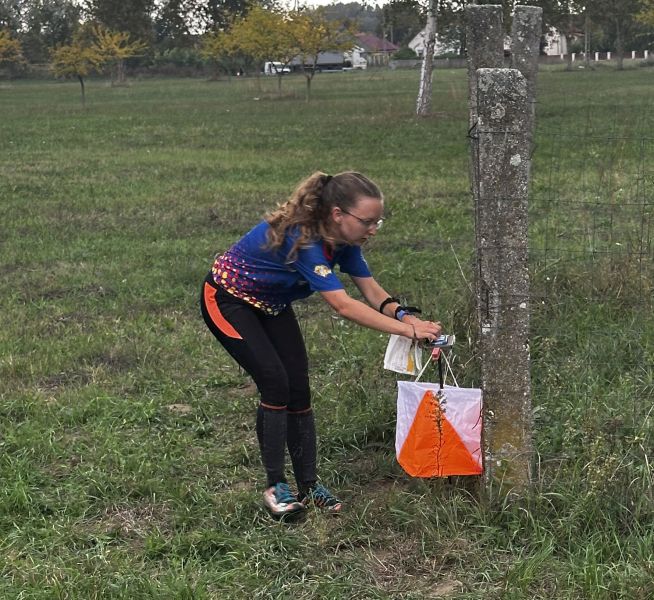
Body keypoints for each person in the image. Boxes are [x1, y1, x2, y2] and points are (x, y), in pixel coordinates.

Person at [200, 171, 442, 521]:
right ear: (338, 214)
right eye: (367, 221)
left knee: (299, 389)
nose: (373, 229)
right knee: (275, 382)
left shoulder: (344, 242)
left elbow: (371, 290)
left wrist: (406, 317)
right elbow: (343, 305)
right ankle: (275, 487)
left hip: (271, 305)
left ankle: (309, 487)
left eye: (378, 221)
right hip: (227, 299)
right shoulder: (305, 240)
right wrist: (407, 332)